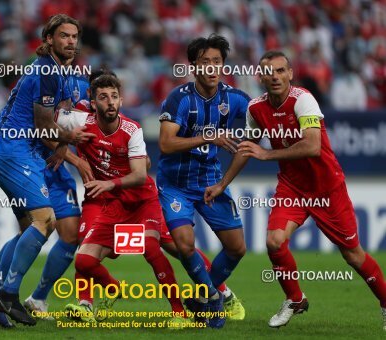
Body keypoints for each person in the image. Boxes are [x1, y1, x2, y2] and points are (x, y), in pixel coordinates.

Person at [204, 50, 386, 330]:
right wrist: (222, 183)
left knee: (353, 255)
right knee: (274, 242)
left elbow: (312, 146)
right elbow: (247, 149)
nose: (274, 76)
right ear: (260, 77)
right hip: (292, 188)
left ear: (290, 74)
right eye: (268, 71)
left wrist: (265, 155)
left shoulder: (303, 101)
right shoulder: (256, 108)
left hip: (326, 188)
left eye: (280, 70)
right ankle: (295, 298)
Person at [0, 14, 95, 328]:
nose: (70, 41)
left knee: (31, 223)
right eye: (64, 36)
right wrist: (71, 141)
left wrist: (60, 146)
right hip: (12, 150)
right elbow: (45, 126)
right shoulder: (46, 71)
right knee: (46, 220)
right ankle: (9, 294)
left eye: (74, 36)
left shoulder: (62, 72)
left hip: (17, 150)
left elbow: (63, 113)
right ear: (49, 39)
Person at [58, 74, 192, 329]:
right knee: (83, 260)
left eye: (114, 97)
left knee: (155, 248)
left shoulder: (132, 129)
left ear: (121, 100)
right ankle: (112, 288)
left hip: (142, 202)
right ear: (93, 102)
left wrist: (108, 183)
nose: (110, 102)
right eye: (103, 97)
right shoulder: (79, 121)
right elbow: (42, 125)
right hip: (111, 204)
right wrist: (68, 149)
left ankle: (181, 312)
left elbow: (141, 175)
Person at [157, 34, 248, 326]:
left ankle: (201, 296)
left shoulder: (234, 98)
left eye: (217, 62)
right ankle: (212, 298)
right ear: (193, 66)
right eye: (205, 62)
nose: (211, 67)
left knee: (237, 248)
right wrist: (208, 136)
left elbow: (261, 118)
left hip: (210, 182)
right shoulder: (179, 98)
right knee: (184, 244)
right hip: (175, 185)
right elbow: (166, 144)